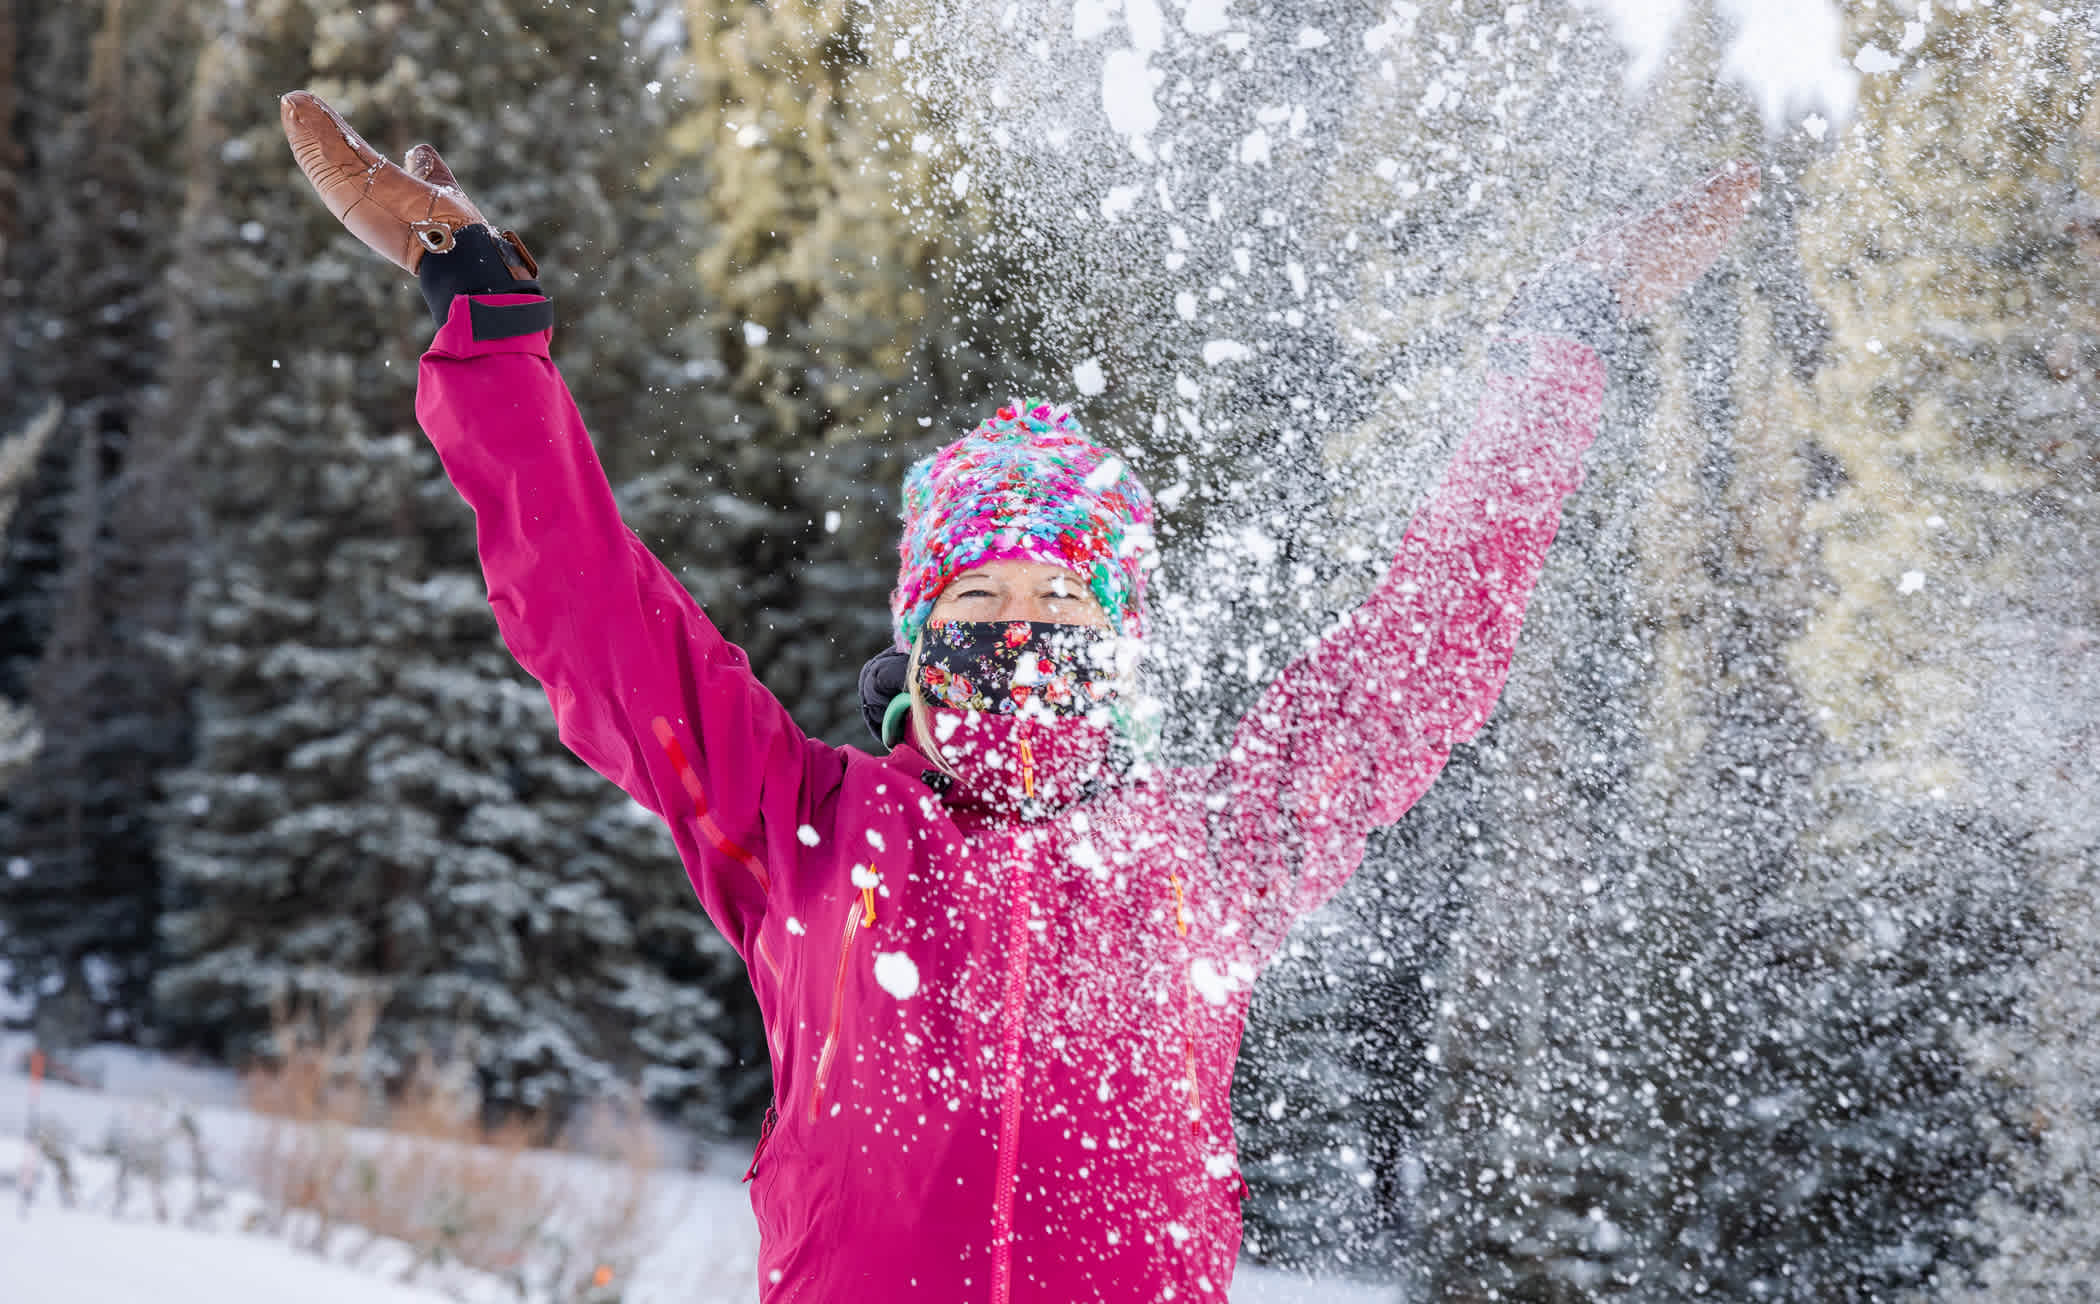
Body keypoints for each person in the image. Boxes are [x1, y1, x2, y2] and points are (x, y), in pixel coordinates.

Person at [280, 90, 1756, 1303]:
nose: (1020, 636)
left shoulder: (1213, 848)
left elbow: (1425, 644)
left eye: (1061, 604)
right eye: (979, 602)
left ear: (1123, 642)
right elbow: (597, 621)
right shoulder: (801, 827)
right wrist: (489, 336)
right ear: (918, 637)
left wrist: (1565, 339)